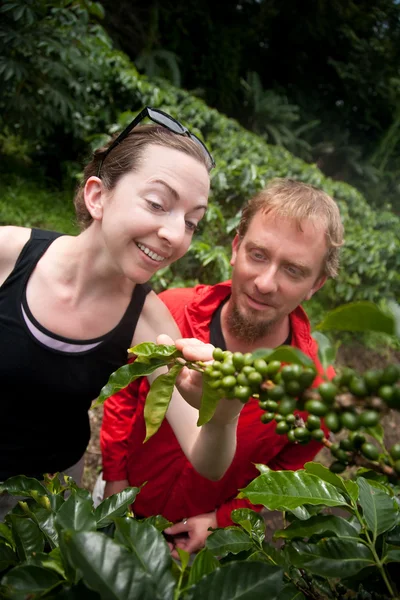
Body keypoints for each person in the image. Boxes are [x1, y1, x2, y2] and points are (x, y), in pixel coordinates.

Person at [0, 107, 246, 521]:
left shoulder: (150, 326)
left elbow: (208, 460)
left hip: (40, 502)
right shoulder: (7, 256)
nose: (175, 235)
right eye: (157, 204)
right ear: (98, 196)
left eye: (192, 222)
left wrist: (223, 416)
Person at [98, 177, 344, 557]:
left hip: (193, 537)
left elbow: (284, 473)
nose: (265, 283)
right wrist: (114, 478)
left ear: (317, 284)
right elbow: (125, 396)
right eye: (258, 255)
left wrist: (222, 520)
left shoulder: (313, 388)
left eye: (293, 271)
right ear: (235, 248)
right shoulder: (170, 312)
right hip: (124, 497)